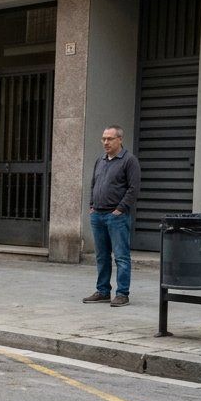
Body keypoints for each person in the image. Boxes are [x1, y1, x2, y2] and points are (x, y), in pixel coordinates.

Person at [82, 125, 141, 307]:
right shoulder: (100, 160)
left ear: (120, 140)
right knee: (101, 256)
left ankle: (122, 293)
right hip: (97, 215)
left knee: (121, 256)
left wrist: (120, 209)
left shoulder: (129, 160)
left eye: (110, 139)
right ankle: (103, 291)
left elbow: (133, 188)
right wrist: (92, 205)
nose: (105, 142)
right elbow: (94, 183)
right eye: (103, 139)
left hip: (116, 216)